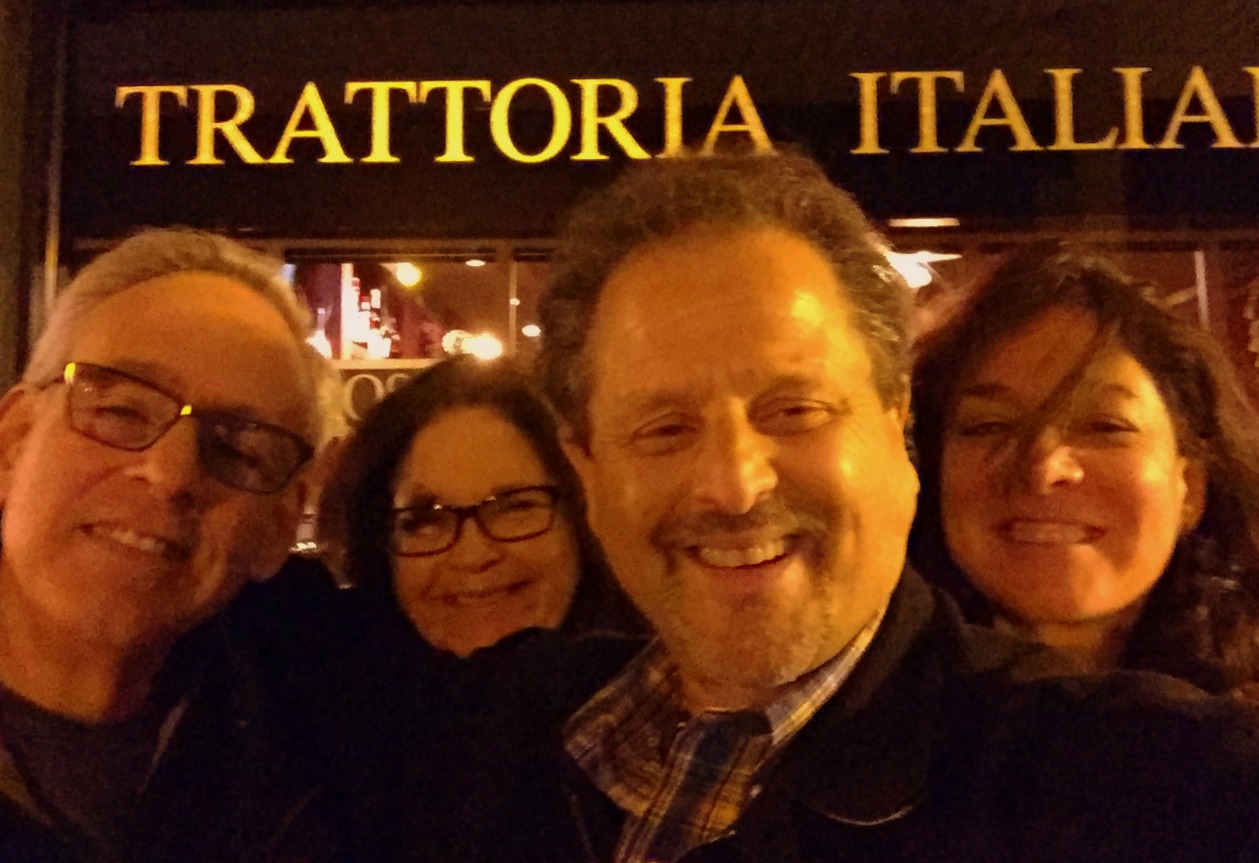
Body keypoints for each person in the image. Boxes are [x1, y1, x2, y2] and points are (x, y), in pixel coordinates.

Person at [397, 152, 1259, 863]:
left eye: (794, 410)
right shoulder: (491, 733)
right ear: (587, 470)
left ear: (895, 431)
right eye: (663, 428)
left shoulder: (1144, 779)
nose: (734, 484)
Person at [0, 228, 338, 861]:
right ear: (13, 443)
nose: (172, 474)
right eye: (122, 411)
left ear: (280, 527)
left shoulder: (323, 732)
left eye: (238, 449)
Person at [909, 247, 1259, 694]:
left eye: (1105, 427)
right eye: (991, 425)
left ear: (1189, 487)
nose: (1044, 468)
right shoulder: (865, 715)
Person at [328, 354, 641, 657]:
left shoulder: (656, 682)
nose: (474, 556)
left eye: (515, 508)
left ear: (583, 516)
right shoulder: (334, 681)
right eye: (426, 521)